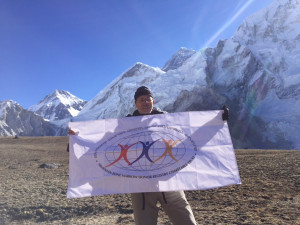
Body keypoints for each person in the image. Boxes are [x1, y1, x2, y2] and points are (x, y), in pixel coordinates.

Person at [126, 86, 198, 225]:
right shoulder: (124, 125)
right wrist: (77, 141)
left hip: (170, 182)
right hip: (141, 187)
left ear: (153, 101)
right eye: (142, 100)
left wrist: (218, 120)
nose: (145, 102)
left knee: (187, 221)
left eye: (148, 99)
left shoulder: (168, 119)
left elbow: (190, 132)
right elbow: (104, 144)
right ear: (136, 103)